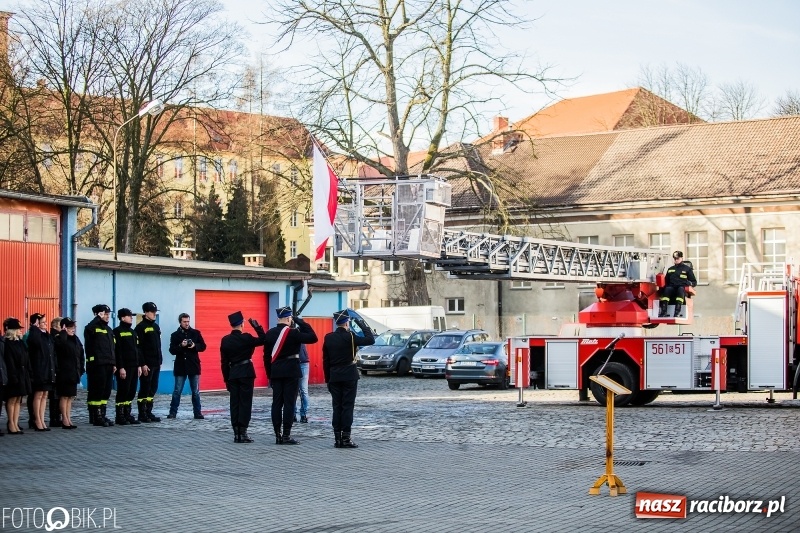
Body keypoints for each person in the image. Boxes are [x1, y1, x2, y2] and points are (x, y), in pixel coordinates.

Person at [263, 306, 318, 445]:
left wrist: (270, 375)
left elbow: (266, 357)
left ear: (278, 319)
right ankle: (286, 435)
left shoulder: (270, 333)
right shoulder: (293, 333)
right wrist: (300, 321)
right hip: (291, 371)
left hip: (276, 371)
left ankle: (277, 434)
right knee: (289, 403)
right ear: (289, 319)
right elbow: (313, 337)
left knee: (276, 403)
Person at [322, 310, 375, 449]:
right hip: (349, 375)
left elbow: (325, 361)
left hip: (334, 375)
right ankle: (346, 437)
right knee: (347, 407)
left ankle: (337, 438)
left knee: (336, 406)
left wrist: (328, 379)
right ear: (346, 323)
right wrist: (362, 324)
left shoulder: (328, 337)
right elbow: (370, 339)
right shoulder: (351, 336)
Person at [220, 311, 266, 443]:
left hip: (233, 373)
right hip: (246, 372)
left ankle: (236, 433)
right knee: (245, 403)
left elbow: (223, 362)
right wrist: (257, 327)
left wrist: (226, 379)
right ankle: (243, 432)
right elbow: (263, 339)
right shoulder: (246, 337)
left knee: (234, 403)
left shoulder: (225, 340)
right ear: (241, 324)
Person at [167, 313, 207, 419]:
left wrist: (194, 346)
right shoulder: (175, 335)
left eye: (188, 321)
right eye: (184, 322)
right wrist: (181, 345)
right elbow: (172, 350)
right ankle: (173, 412)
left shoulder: (196, 333)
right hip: (181, 366)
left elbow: (203, 346)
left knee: (195, 391)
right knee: (177, 391)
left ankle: (197, 412)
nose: (187, 323)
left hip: (193, 365)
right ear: (180, 322)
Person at [83, 304, 116, 427]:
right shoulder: (92, 328)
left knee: (106, 391)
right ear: (98, 314)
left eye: (108, 314)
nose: (107, 317)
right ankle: (95, 416)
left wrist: (114, 363)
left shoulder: (108, 330)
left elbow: (112, 348)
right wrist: (97, 318)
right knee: (97, 390)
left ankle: (102, 414)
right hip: (97, 364)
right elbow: (88, 329)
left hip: (108, 363)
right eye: (105, 314)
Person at [53, 317, 85, 429]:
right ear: (64, 328)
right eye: (70, 327)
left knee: (70, 397)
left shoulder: (75, 339)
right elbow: (60, 346)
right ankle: (64, 419)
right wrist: (62, 333)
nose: (73, 329)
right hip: (64, 372)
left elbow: (81, 353)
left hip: (74, 372)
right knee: (64, 396)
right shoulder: (60, 338)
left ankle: (68, 418)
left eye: (73, 327)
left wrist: (81, 369)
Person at [27, 313, 56, 431]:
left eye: (45, 322)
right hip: (39, 369)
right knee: (38, 395)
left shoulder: (46, 335)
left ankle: (42, 419)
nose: (45, 324)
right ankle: (37, 420)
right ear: (36, 323)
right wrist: (34, 328)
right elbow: (35, 342)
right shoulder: (34, 334)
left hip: (48, 369)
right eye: (42, 322)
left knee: (45, 395)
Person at [3, 317, 31, 435]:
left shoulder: (20, 343)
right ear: (13, 330)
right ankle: (11, 424)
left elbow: (26, 358)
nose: (20, 331)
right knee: (12, 399)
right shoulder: (8, 344)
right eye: (18, 329)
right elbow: (9, 362)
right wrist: (13, 376)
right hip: (13, 375)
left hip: (22, 374)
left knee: (18, 400)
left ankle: (16, 422)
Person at [113, 308, 141, 426]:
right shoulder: (117, 332)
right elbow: (117, 351)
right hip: (124, 367)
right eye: (129, 316)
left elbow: (137, 350)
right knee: (123, 390)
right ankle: (120, 415)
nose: (131, 318)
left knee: (131, 391)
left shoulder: (133, 332)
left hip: (134, 366)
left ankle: (127, 413)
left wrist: (139, 365)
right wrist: (121, 367)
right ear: (123, 318)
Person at [135, 302, 163, 423]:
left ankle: (149, 411)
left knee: (153, 388)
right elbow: (139, 348)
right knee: (145, 388)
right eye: (152, 312)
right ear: (146, 313)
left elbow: (158, 345)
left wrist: (160, 360)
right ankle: (142, 413)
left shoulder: (156, 327)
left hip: (156, 362)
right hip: (147, 363)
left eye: (155, 312)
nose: (154, 314)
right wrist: (142, 364)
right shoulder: (140, 327)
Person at [659, 250, 697, 318]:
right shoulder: (670, 269)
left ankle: (677, 312)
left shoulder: (687, 269)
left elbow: (694, 282)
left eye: (678, 258)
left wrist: (689, 283)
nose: (676, 260)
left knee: (680, 289)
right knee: (667, 289)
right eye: (675, 259)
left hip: (681, 289)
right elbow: (666, 281)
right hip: (672, 288)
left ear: (681, 258)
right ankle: (663, 312)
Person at [48, 317, 63, 427]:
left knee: (58, 395)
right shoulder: (53, 337)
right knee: (54, 396)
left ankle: (57, 417)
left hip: (59, 369)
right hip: (55, 369)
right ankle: (54, 418)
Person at [295, 344, 310, 424]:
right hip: (293, 361)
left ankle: (303, 414)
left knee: (303, 390)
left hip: (303, 362)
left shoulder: (301, 332)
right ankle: (293, 413)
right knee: (293, 391)